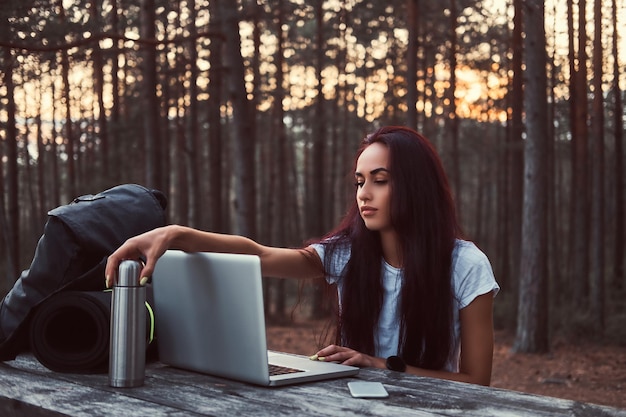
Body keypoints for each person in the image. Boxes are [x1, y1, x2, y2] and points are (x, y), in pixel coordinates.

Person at [105, 126, 499, 386]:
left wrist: (379, 363)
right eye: (360, 182)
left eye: (380, 181)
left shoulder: (466, 265)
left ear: (416, 187)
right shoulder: (346, 253)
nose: (364, 193)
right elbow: (261, 256)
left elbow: (478, 381)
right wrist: (178, 235)